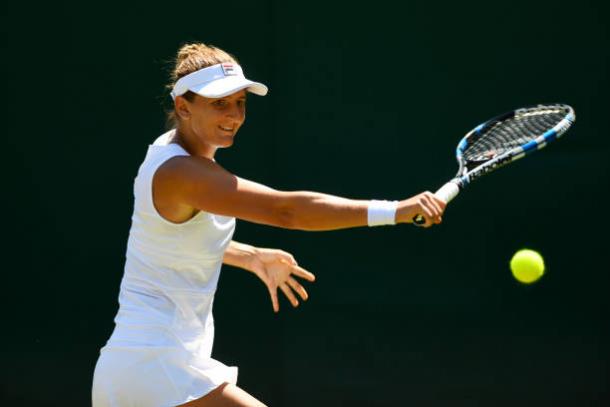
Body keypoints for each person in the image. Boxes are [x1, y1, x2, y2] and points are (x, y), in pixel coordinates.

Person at [92, 42, 446, 407]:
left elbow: (169, 242)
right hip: (155, 365)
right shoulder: (183, 173)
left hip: (137, 368)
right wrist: (394, 210)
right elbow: (286, 212)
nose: (234, 115)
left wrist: (250, 256)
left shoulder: (166, 152)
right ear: (183, 107)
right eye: (219, 103)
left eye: (240, 102)